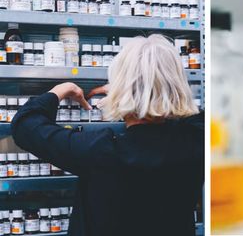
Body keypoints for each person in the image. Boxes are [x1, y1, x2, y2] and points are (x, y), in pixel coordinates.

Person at [11, 34, 204, 236]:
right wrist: (147, 91)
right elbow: (194, 115)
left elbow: (25, 125)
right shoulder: (196, 141)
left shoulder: (99, 150)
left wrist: (59, 91)